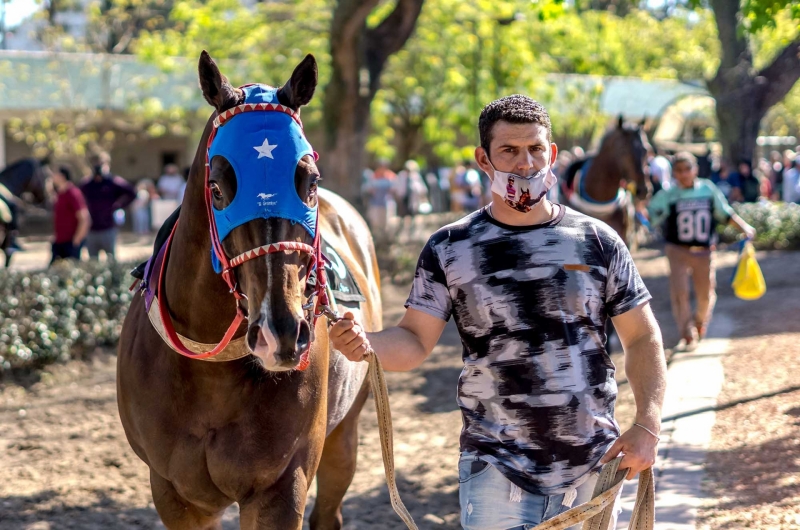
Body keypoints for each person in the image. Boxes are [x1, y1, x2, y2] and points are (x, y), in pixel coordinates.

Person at [330, 95, 667, 530]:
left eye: (535, 149)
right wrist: (367, 343)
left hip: (593, 465)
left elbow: (642, 337)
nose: (525, 163)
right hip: (493, 467)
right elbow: (413, 341)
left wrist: (648, 423)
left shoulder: (598, 241)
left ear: (553, 154)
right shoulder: (450, 248)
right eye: (509, 150)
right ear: (483, 159)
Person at [647, 152, 755, 351]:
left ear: (695, 169)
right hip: (677, 250)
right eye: (679, 171)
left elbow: (725, 213)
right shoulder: (668, 195)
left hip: (704, 252)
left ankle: (699, 322)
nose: (684, 174)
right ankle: (687, 332)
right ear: (674, 173)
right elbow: (650, 215)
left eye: (687, 169)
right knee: (680, 293)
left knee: (705, 294)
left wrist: (745, 227)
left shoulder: (707, 189)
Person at [80, 152, 136, 260]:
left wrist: (119, 205)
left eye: (100, 164)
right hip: (91, 229)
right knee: (93, 262)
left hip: (108, 228)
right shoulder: (86, 184)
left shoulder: (114, 182)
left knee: (111, 260)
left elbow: (132, 193)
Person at [51, 166, 90, 264]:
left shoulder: (73, 193)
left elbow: (84, 218)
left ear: (62, 176)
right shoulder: (59, 194)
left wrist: (77, 240)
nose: (53, 177)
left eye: (55, 174)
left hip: (70, 243)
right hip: (59, 242)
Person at [362, 162, 397, 237]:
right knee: (375, 223)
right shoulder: (373, 176)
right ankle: (377, 238)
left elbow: (395, 189)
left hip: (387, 203)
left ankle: (386, 239)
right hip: (375, 204)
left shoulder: (391, 176)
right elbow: (368, 189)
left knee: (387, 223)